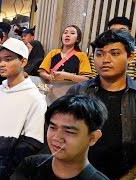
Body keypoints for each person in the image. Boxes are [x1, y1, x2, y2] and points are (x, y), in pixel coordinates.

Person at [66, 30, 136, 179]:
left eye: (115, 53)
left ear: (130, 57)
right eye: (99, 54)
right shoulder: (78, 91)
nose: (105, 60)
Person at [0, 37, 47, 179]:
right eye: (0, 59)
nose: (2, 64)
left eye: (8, 59)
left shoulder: (34, 98)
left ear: (23, 62)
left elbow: (32, 143)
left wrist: (9, 170)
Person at [11, 95, 109, 180]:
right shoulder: (30, 166)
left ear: (93, 138)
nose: (56, 137)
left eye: (69, 131)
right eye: (53, 127)